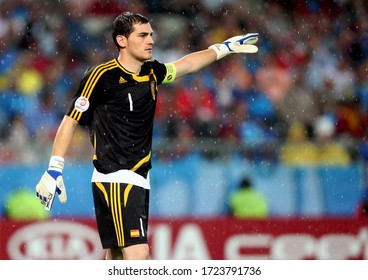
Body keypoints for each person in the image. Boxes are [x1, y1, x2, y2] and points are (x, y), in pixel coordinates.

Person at [35, 12, 259, 260]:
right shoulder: (101, 76)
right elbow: (70, 120)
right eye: (142, 35)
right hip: (116, 177)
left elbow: (187, 64)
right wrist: (55, 167)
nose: (150, 40)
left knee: (119, 258)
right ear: (122, 40)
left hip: (139, 178)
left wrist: (222, 48)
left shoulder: (152, 72)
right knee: (139, 256)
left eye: (151, 34)